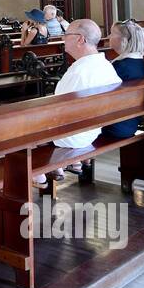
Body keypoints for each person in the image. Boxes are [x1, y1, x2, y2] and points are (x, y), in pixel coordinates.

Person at [34, 19, 122, 187]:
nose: (63, 38)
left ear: (80, 39)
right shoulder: (105, 65)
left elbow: (56, 109)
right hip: (91, 130)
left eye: (66, 35)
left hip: (72, 135)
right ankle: (58, 165)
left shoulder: (80, 72)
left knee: (15, 130)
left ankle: (38, 172)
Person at [102, 20, 144, 140]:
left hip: (114, 125)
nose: (108, 37)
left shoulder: (120, 66)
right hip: (131, 121)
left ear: (123, 39)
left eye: (112, 34)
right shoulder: (141, 63)